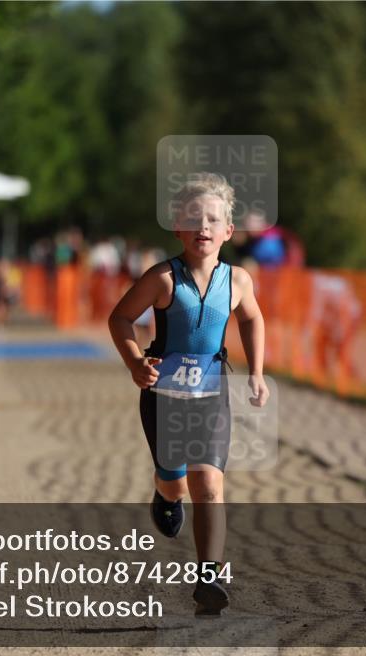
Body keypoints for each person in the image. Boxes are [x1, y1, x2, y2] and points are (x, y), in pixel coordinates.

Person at [108, 173, 269, 615]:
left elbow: (252, 320)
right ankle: (164, 493)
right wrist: (137, 363)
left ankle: (209, 577)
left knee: (209, 483)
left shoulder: (237, 281)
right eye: (193, 218)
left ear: (228, 231)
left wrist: (255, 372)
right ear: (176, 227)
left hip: (211, 393)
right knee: (177, 481)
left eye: (213, 219)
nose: (203, 226)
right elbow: (120, 319)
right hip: (162, 395)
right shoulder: (162, 278)